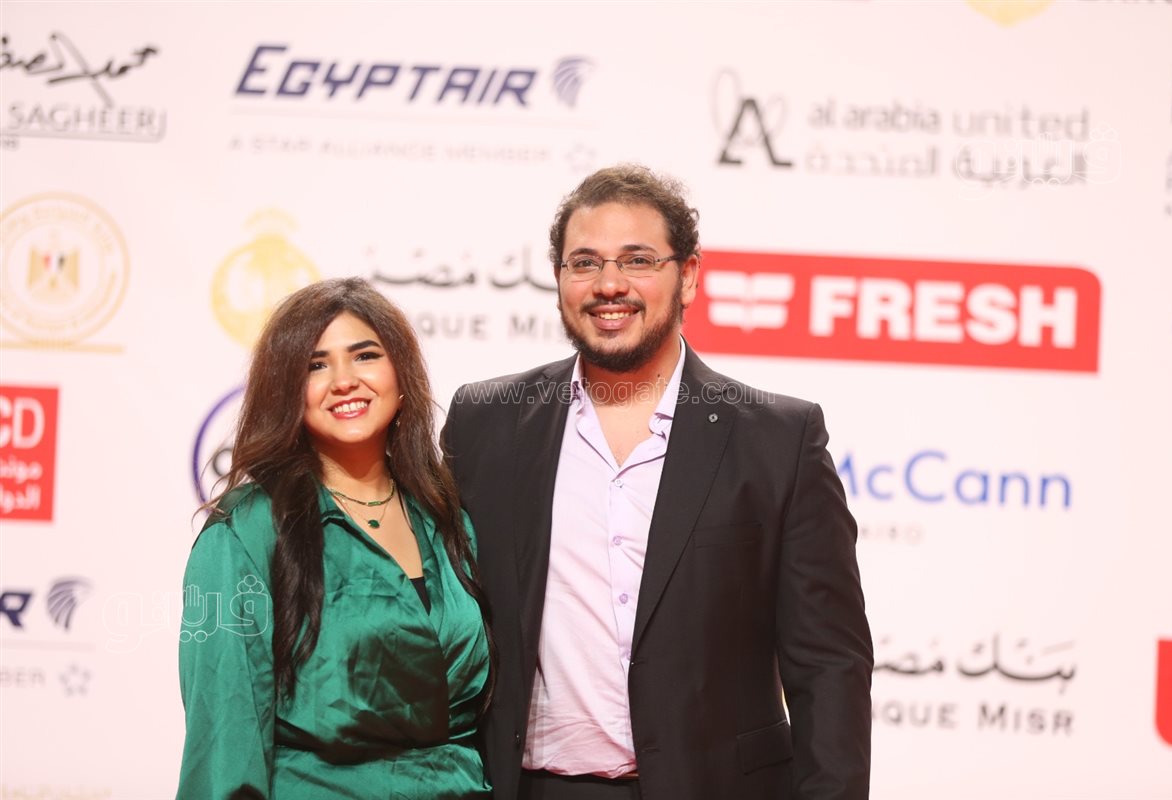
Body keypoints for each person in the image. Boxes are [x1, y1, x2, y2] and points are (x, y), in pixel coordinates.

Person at [441, 165, 872, 800]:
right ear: (559, 278)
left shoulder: (779, 440)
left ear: (688, 275)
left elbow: (829, 665)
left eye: (638, 260)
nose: (609, 284)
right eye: (584, 263)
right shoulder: (487, 424)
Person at [177, 278, 494, 799]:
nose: (344, 381)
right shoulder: (246, 532)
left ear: (401, 373)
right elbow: (224, 739)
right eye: (315, 366)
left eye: (365, 356)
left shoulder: (447, 517)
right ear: (286, 390)